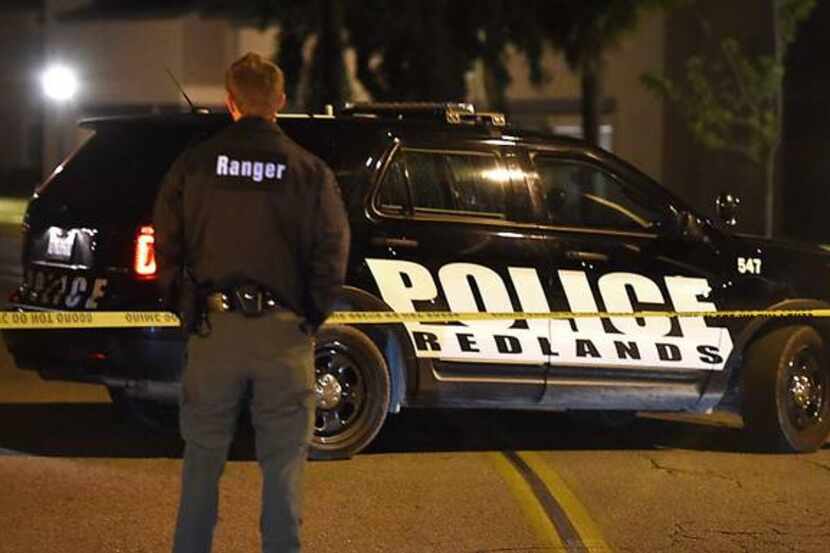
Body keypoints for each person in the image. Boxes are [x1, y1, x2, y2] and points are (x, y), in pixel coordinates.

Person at [153, 52, 350, 553]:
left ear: (230, 102)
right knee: (283, 464)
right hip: (284, 335)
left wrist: (187, 307)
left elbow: (166, 243)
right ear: (280, 102)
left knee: (202, 460)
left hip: (214, 332)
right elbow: (333, 252)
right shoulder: (309, 171)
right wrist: (309, 314)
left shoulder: (193, 165)